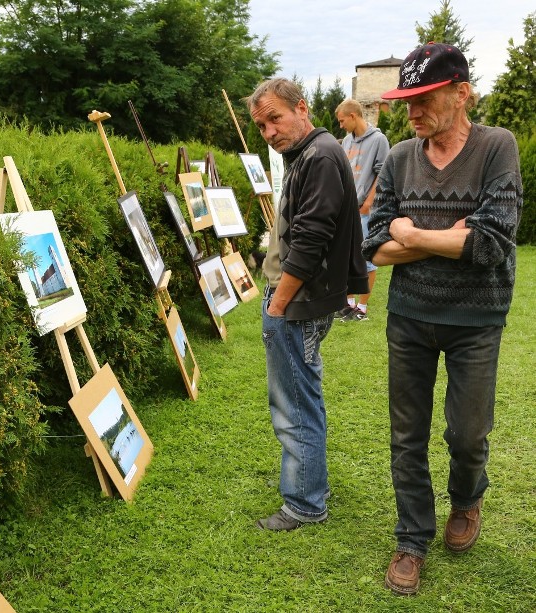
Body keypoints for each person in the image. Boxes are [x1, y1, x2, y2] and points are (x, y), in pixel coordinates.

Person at [362, 43, 523, 595]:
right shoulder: (400, 157)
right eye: (406, 103)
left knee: (467, 432)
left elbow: (494, 242)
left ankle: (467, 498)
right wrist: (447, 238)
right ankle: (411, 539)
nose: (412, 114)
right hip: (409, 316)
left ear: (461, 93)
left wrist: (410, 234)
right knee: (407, 435)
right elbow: (373, 247)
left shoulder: (496, 146)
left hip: (476, 319)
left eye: (424, 99)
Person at [244, 79, 368, 531]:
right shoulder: (311, 153)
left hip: (298, 302)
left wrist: (277, 304)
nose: (269, 132)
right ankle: (311, 486)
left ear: (301, 107)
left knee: (295, 404)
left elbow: (312, 239)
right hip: (301, 299)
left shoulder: (318, 155)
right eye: (260, 126)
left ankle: (305, 504)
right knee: (302, 398)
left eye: (275, 118)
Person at [335, 98, 390, 321]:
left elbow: (383, 174)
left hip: (367, 209)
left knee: (366, 257)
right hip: (349, 209)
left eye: (341, 121)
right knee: (348, 256)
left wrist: (368, 203)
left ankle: (362, 308)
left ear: (353, 116)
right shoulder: (346, 141)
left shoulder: (379, 140)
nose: (340, 126)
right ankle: (348, 304)